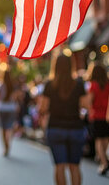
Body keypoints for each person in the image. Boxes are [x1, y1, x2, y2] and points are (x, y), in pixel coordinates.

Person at [39, 54, 89, 185]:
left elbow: (42, 108)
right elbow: (86, 105)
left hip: (55, 127)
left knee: (59, 166)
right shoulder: (78, 84)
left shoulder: (50, 85)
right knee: (75, 166)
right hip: (75, 128)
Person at [87, 62, 109, 175]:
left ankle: (104, 163)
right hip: (107, 116)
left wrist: (90, 112)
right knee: (106, 139)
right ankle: (108, 158)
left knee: (99, 140)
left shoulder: (93, 85)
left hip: (97, 115)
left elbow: (89, 101)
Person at [0, 70, 19, 157]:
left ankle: (5, 146)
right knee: (9, 127)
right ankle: (8, 143)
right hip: (11, 108)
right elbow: (16, 97)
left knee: (3, 128)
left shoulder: (1, 86)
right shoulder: (13, 86)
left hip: (2, 108)